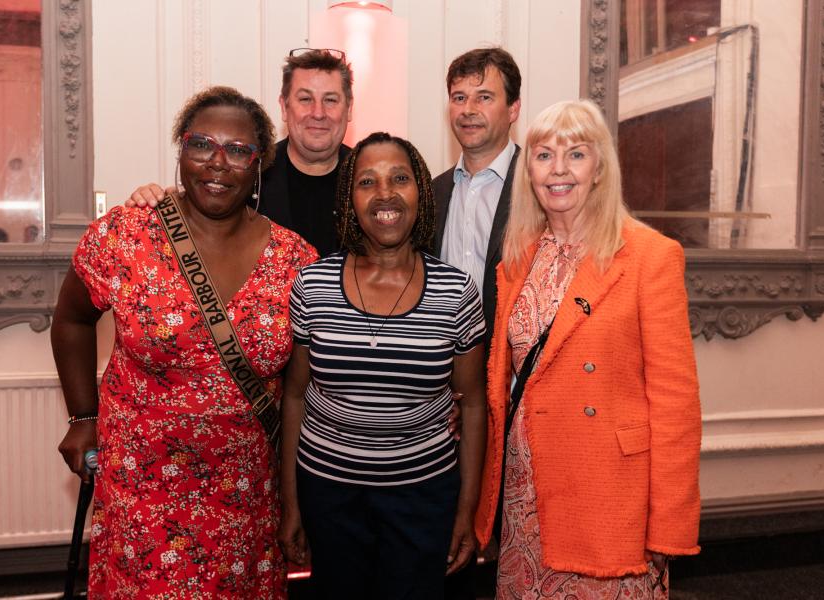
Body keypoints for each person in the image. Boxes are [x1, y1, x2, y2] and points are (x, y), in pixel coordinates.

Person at [52, 86, 317, 598]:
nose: (218, 163)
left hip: (245, 492)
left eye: (238, 150)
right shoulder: (126, 235)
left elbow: (300, 388)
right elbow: (71, 320)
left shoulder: (295, 258)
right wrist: (83, 417)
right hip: (142, 483)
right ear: (180, 151)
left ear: (259, 164)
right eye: (202, 145)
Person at [476, 99, 701, 598]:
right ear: (528, 170)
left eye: (576, 154)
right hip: (525, 492)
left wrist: (668, 526)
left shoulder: (649, 257)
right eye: (543, 155)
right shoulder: (519, 257)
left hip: (609, 495)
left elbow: (676, 406)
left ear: (599, 168)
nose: (558, 169)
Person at [277, 132, 488, 599]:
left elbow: (473, 405)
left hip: (423, 496)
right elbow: (294, 395)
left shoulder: (457, 292)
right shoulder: (312, 284)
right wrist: (291, 503)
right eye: (367, 181)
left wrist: (465, 511)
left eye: (400, 178)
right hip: (328, 492)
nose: (385, 193)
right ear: (350, 199)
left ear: (421, 192)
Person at [129, 48, 353, 256]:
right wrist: (153, 202)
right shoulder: (246, 168)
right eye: (305, 99)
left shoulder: (369, 177)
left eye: (330, 100)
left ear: (349, 108)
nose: (318, 113)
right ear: (284, 107)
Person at [434, 47, 522, 350]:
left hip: (514, 374)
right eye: (459, 98)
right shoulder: (430, 194)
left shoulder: (539, 188)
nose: (468, 109)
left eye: (484, 97)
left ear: (513, 109)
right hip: (443, 376)